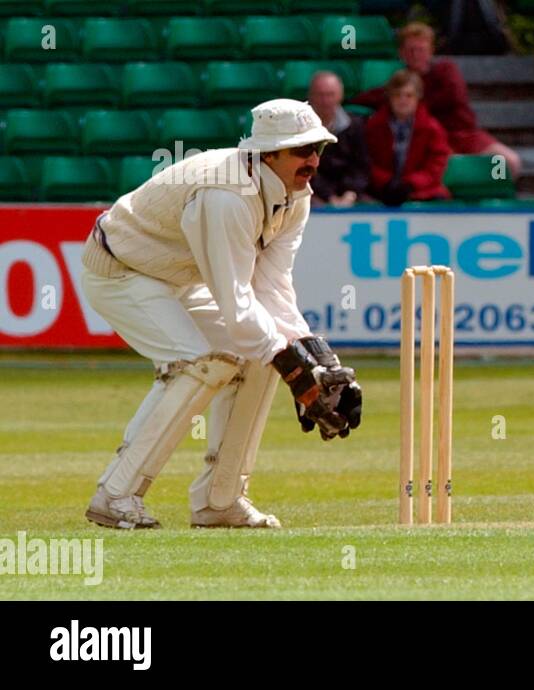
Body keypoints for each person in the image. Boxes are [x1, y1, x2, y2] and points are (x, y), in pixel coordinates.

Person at [80, 99, 363, 530]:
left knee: (259, 356)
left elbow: (272, 288)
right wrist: (295, 372)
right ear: (268, 153)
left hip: (178, 278)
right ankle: (115, 495)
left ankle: (221, 500)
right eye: (301, 149)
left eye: (317, 149)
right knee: (198, 362)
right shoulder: (226, 195)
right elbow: (236, 301)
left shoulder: (295, 195)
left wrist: (319, 366)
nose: (312, 160)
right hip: (121, 269)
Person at [350, 22, 521, 176]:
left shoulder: (446, 70)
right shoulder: (402, 81)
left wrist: (415, 103)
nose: (416, 55)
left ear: (431, 51)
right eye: (411, 50)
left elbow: (453, 97)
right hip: (428, 142)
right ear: (401, 53)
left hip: (465, 136)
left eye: (421, 49)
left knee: (510, 162)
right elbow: (379, 95)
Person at [366, 69, 453, 206]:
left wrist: (410, 183)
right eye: (397, 95)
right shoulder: (373, 126)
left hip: (423, 191)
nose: (403, 100)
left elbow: (437, 164)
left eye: (409, 95)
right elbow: (366, 161)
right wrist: (387, 181)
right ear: (389, 97)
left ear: (418, 97)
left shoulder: (432, 128)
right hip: (381, 190)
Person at [307, 71, 371, 208]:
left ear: (340, 96)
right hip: (312, 194)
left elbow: (361, 165)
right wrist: (329, 197)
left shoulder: (355, 125)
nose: (325, 101)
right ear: (311, 97)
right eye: (320, 95)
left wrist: (350, 193)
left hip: (351, 194)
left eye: (330, 95)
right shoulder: (300, 128)